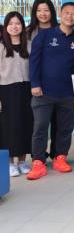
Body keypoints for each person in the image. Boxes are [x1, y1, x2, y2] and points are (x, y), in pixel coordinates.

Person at [27, 2, 74, 180]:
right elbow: (34, 61)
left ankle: (60, 157)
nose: (70, 16)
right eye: (67, 12)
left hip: (67, 93)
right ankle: (38, 161)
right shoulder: (45, 35)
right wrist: (35, 83)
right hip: (43, 92)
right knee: (40, 127)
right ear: (60, 13)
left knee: (65, 128)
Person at [0, 12, 33, 177]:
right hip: (6, 90)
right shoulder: (1, 46)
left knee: (25, 125)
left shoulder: (29, 45)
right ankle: (9, 163)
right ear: (6, 26)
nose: (14, 27)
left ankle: (21, 161)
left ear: (23, 26)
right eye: (11, 23)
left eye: (18, 23)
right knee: (8, 128)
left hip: (27, 89)